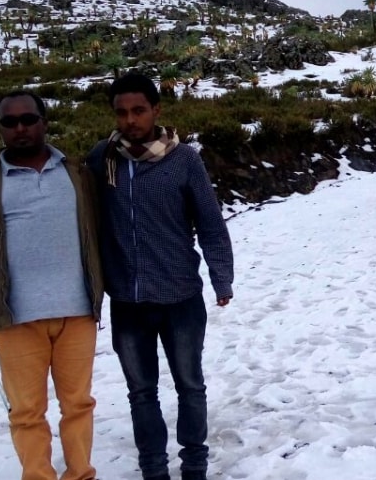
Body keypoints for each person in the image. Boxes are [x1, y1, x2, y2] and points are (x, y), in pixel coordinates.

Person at [0, 91, 103, 480]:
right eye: (9, 122)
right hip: (13, 318)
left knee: (79, 404)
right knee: (26, 412)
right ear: (0, 127)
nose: (20, 128)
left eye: (28, 119)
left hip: (77, 312)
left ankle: (81, 473)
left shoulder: (76, 174)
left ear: (44, 120)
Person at [87, 72, 234, 480]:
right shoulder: (102, 159)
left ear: (156, 110)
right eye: (121, 112)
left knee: (190, 385)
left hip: (181, 297)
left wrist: (222, 278)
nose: (130, 120)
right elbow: (85, 223)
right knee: (141, 393)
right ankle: (153, 470)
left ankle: (194, 467)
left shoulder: (184, 159)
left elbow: (210, 222)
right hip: (129, 302)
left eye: (138, 110)